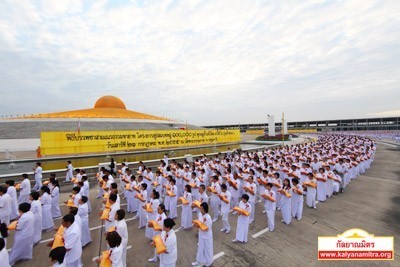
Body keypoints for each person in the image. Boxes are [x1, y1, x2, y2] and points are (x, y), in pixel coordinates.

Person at [192, 202, 213, 267]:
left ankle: (208, 263)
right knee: (200, 248)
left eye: (202, 209)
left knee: (207, 249)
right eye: (200, 209)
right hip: (201, 234)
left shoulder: (208, 218)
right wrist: (195, 224)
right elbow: (199, 222)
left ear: (206, 210)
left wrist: (198, 226)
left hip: (207, 235)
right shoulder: (200, 214)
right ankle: (199, 261)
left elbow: (207, 229)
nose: (201, 210)